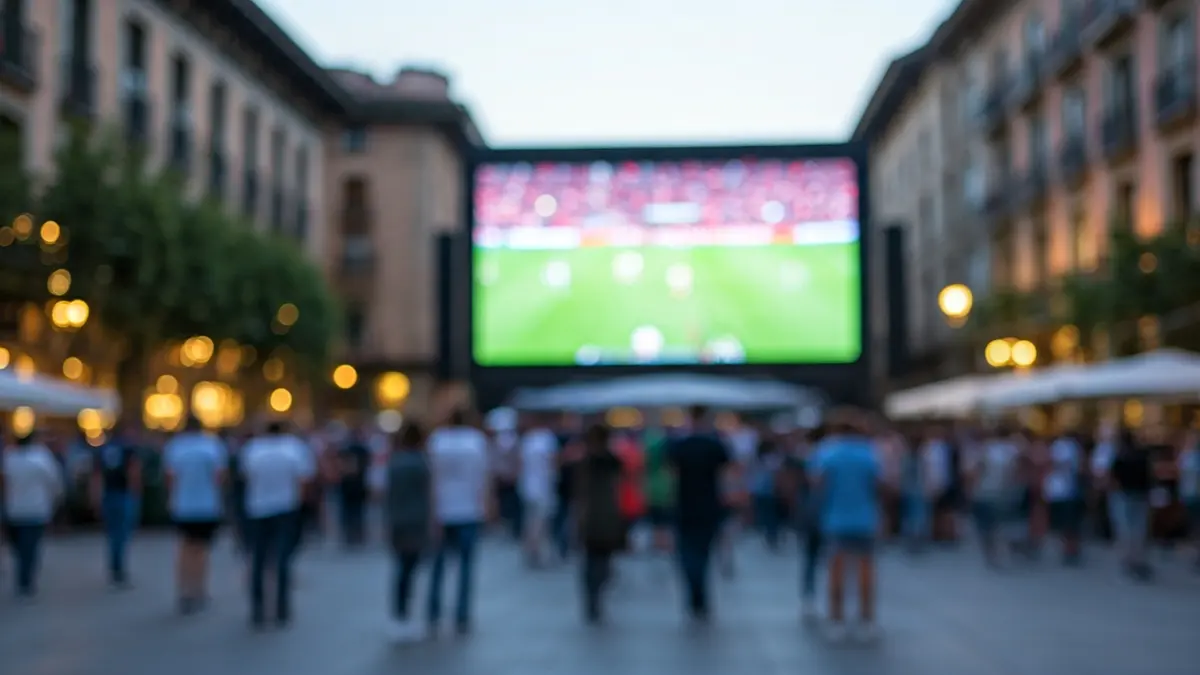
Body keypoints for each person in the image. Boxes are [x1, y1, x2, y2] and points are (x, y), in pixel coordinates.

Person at [810, 409, 882, 642]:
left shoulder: (827, 453)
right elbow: (878, 485)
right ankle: (866, 620)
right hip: (865, 518)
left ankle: (836, 620)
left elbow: (817, 484)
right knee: (865, 571)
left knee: (836, 572)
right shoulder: (868, 453)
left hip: (835, 518)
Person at [241, 421, 314, 628]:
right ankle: (282, 608)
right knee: (283, 559)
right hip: (285, 508)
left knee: (258, 559)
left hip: (258, 508)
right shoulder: (293, 448)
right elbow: (303, 480)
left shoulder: (253, 449)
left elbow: (246, 477)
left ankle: (258, 609)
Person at [426, 408, 492, 636]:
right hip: (469, 511)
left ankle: (433, 613)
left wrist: (432, 512)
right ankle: (462, 615)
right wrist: (487, 507)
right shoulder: (476, 441)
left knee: (437, 567)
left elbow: (431, 480)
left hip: (443, 511)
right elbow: (484, 478)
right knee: (466, 567)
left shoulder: (437, 441)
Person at [667, 405, 731, 622]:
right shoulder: (715, 445)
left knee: (687, 554)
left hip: (684, 506)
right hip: (709, 506)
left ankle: (694, 596)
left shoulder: (679, 445)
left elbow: (671, 474)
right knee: (703, 555)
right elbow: (727, 474)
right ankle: (700, 597)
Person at [163, 416, 227, 614]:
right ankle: (200, 589)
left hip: (183, 505)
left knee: (184, 548)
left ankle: (185, 590)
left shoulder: (175, 446)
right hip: (207, 505)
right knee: (202, 549)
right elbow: (220, 477)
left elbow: (170, 477)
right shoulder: (213, 446)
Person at [384, 422, 433, 642]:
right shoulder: (421, 463)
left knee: (401, 568)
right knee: (410, 569)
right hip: (416, 521)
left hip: (398, 520)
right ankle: (404, 615)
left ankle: (399, 615)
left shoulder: (395, 462)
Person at [573, 423, 626, 624]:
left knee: (591, 560)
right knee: (603, 560)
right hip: (607, 515)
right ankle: (596, 593)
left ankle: (592, 595)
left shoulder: (586, 462)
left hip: (593, 516)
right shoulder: (610, 461)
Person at [0, 431, 63, 597]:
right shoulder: (41, 458)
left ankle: (23, 578)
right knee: (31, 547)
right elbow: (55, 482)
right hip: (36, 509)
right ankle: (26, 579)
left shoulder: (9, 458)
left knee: (20, 547)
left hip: (15, 510)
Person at [90, 423, 142, 588]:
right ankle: (118, 569)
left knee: (112, 533)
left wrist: (95, 496)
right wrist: (136, 494)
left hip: (108, 495)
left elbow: (96, 475)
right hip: (123, 495)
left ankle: (114, 566)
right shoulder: (128, 449)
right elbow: (134, 472)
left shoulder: (103, 449)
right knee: (122, 533)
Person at [1108, 427, 1153, 580]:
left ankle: (1128, 559)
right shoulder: (1142, 456)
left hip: (1124, 495)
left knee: (1125, 528)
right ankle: (1137, 558)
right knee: (1139, 528)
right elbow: (1149, 476)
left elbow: (1113, 477)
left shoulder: (1120, 456)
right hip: (1140, 495)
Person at [518, 415, 558, 567]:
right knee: (540, 522)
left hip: (528, 487)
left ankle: (532, 550)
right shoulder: (547, 439)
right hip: (542, 487)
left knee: (530, 521)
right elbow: (552, 463)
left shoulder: (528, 439)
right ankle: (538, 552)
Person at [1045, 431, 1086, 565]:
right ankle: (1068, 550)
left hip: (1065, 492)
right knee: (1067, 524)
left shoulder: (1065, 447)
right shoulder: (1070, 447)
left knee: (1068, 524)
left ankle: (1070, 550)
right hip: (1062, 492)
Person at [337, 427, 372, 548]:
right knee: (353, 510)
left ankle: (354, 534)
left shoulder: (359, 449)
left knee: (355, 510)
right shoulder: (349, 449)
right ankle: (353, 534)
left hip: (355, 485)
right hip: (350, 485)